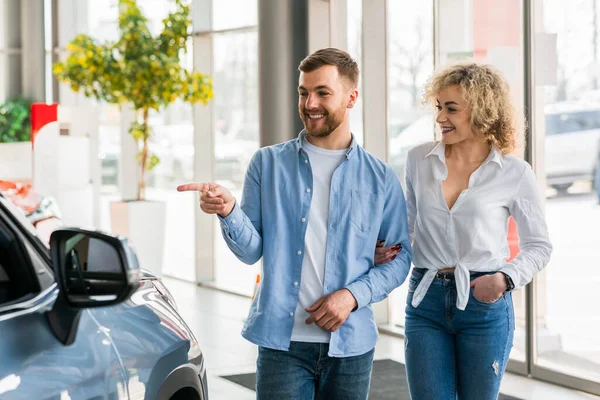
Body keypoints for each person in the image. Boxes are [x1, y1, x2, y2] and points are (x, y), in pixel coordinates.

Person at [178, 48, 412, 400]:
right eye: (304, 92)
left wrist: (351, 296)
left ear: (351, 97)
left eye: (322, 92)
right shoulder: (267, 164)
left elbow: (399, 259)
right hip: (282, 345)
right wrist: (229, 212)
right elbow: (251, 251)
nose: (309, 103)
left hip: (351, 346)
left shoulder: (380, 177)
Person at [376, 62, 552, 399]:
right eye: (438, 107)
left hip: (484, 304)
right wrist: (387, 248)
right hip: (425, 301)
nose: (440, 117)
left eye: (451, 109)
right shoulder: (418, 160)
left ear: (483, 111)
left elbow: (539, 245)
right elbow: (407, 227)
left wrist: (504, 279)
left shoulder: (514, 172)